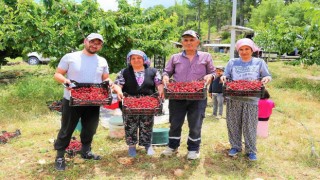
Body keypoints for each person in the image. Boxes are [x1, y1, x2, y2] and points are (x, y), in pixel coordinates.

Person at [53, 33, 110, 171]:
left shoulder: (102, 61)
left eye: (98, 43)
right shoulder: (70, 57)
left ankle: (86, 151)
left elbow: (105, 78)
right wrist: (66, 81)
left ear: (101, 46)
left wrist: (109, 84)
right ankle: (60, 156)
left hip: (93, 101)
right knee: (67, 128)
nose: (94, 45)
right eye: (92, 42)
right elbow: (57, 74)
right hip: (73, 100)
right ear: (85, 41)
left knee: (90, 128)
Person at [161, 30, 216, 160]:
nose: (189, 42)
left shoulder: (206, 56)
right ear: (182, 43)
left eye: (192, 40)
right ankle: (172, 146)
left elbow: (213, 72)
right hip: (177, 95)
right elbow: (167, 72)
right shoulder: (175, 58)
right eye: (186, 40)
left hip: (197, 95)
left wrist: (210, 76)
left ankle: (193, 148)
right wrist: (165, 77)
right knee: (175, 122)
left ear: (197, 42)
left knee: (195, 123)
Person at [221, 38, 272, 161]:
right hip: (234, 97)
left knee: (250, 125)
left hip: (251, 98)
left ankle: (251, 150)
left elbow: (267, 75)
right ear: (238, 51)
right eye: (241, 49)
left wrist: (266, 79)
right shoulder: (232, 62)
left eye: (247, 49)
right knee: (233, 124)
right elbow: (226, 75)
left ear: (252, 50)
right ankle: (235, 147)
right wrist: (223, 77)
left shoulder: (259, 62)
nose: (244, 52)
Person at [113, 50, 164, 157]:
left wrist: (161, 91)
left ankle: (147, 145)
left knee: (147, 124)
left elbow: (159, 83)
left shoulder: (153, 71)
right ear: (129, 60)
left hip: (148, 102)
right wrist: (119, 91)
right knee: (130, 124)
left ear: (144, 59)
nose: (136, 60)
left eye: (139, 58)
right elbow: (118, 84)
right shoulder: (124, 72)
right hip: (129, 102)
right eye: (133, 58)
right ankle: (131, 146)